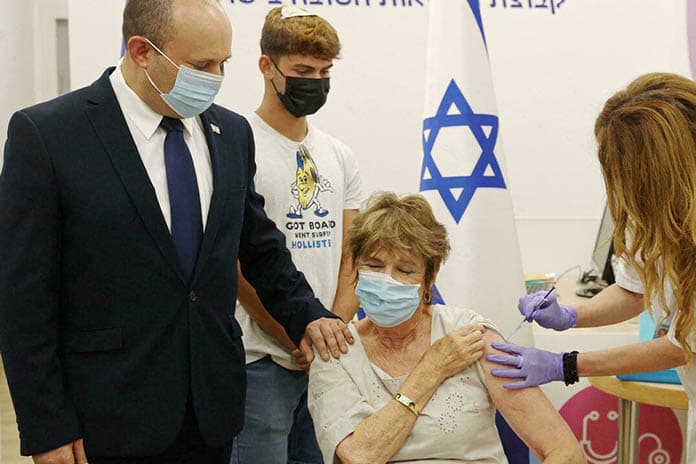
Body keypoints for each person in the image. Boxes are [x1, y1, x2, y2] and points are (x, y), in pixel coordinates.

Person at [0, 1, 353, 463]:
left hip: (210, 411)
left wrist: (307, 315)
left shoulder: (230, 132)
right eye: (201, 66)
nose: (216, 78)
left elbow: (259, 246)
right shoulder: (49, 135)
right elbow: (23, 299)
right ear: (141, 51)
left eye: (223, 63)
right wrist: (47, 425)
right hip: (105, 417)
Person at [486, 72, 696, 460]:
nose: (621, 188)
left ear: (659, 172)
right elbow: (635, 289)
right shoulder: (653, 213)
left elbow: (680, 346)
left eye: (626, 172)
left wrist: (565, 365)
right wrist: (570, 316)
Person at [307, 192, 585, 463]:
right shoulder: (336, 350)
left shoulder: (470, 336)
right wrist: (432, 367)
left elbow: (565, 453)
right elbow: (358, 456)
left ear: (429, 280)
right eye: (374, 265)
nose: (386, 281)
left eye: (405, 270)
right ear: (355, 267)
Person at [231, 6, 363, 464]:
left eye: (325, 72)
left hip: (328, 361)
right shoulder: (237, 144)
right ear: (266, 66)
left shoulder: (339, 155)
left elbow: (352, 257)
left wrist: (331, 334)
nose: (316, 82)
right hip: (259, 359)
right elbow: (237, 263)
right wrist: (295, 334)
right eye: (303, 71)